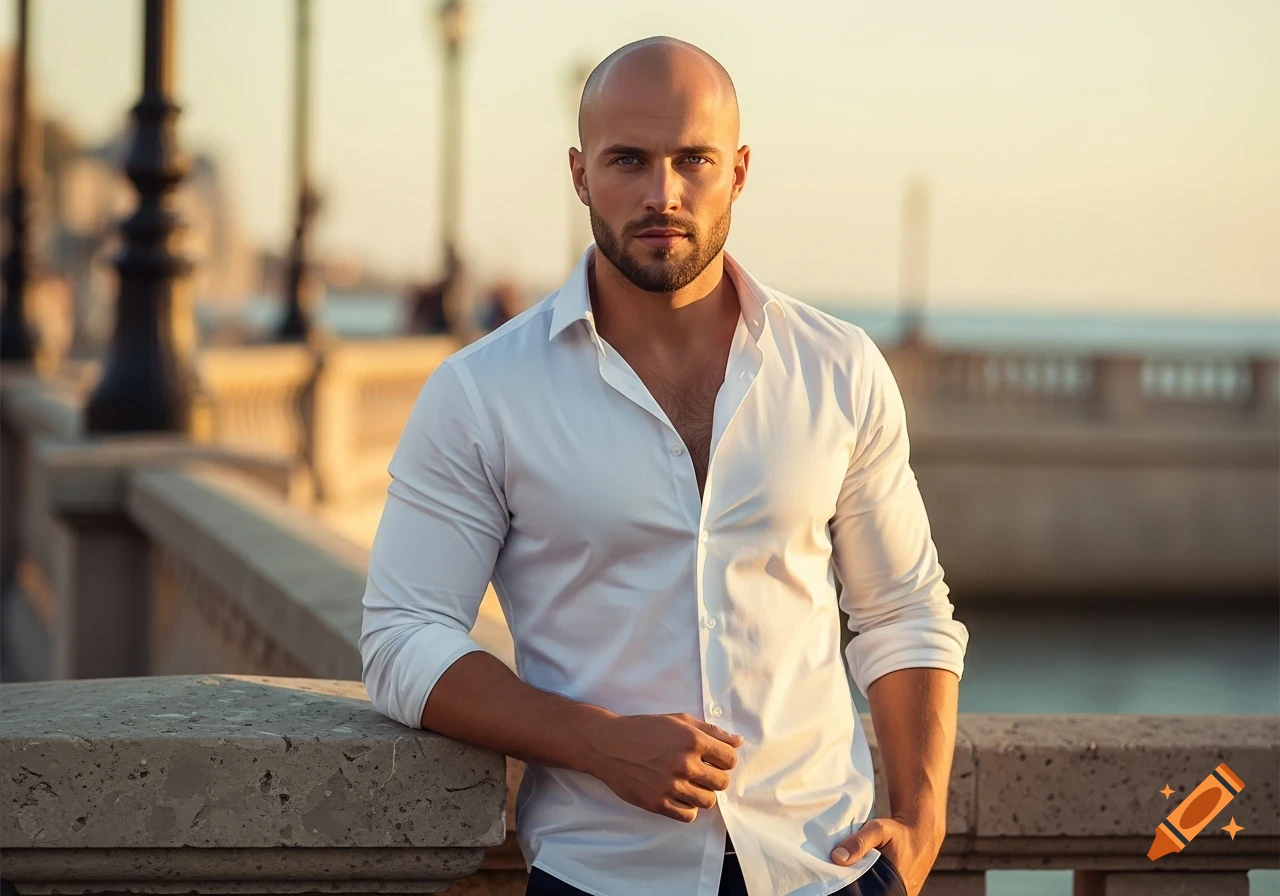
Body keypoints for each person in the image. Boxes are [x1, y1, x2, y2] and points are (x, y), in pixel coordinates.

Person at [360, 36, 968, 896]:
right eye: (628, 160)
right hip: (603, 876)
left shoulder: (838, 368)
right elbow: (402, 636)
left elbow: (903, 610)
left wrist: (921, 815)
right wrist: (597, 740)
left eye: (693, 160)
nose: (662, 193)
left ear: (740, 170)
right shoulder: (481, 393)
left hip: (824, 870)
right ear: (579, 174)